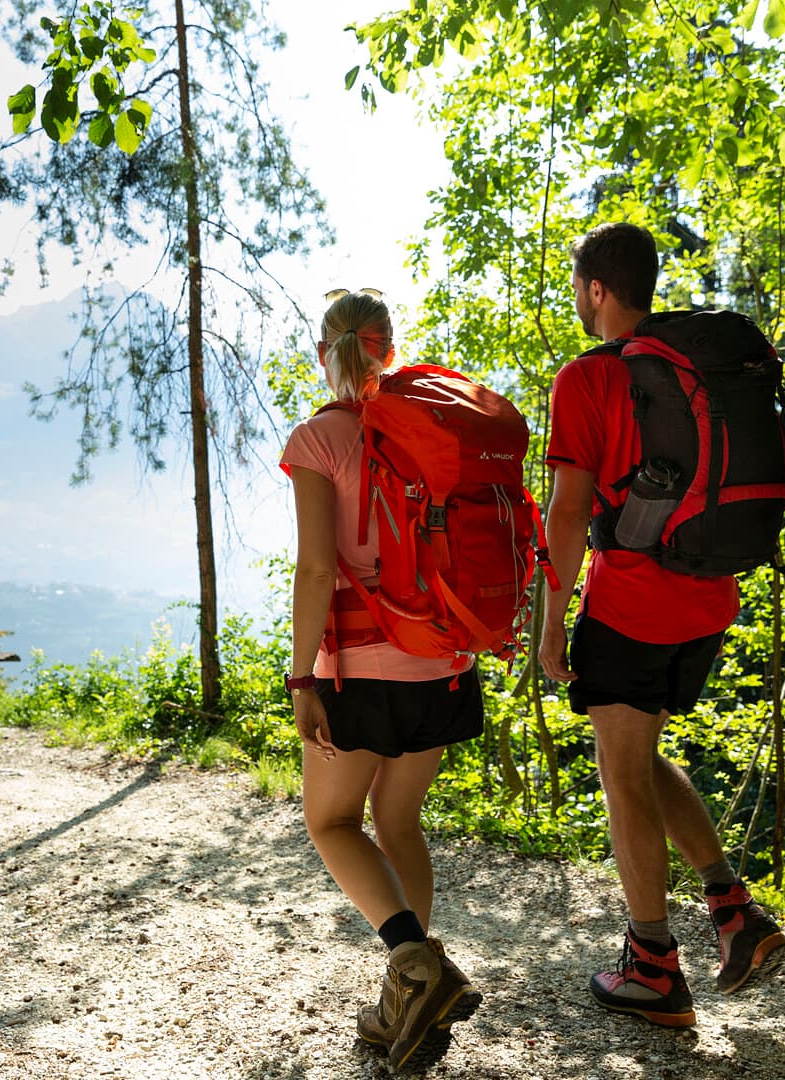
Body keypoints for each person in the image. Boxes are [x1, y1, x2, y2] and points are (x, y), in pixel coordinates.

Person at [538, 222, 785, 1028]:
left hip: (632, 608)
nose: (579, 301)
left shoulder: (589, 379)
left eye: (580, 288)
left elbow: (570, 512)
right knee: (641, 756)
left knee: (622, 776)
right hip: (710, 599)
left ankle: (652, 966)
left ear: (597, 290)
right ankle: (733, 913)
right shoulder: (695, 364)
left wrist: (550, 627)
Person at [280, 290, 484, 1072]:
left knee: (331, 825)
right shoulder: (434, 428)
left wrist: (303, 678)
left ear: (326, 353)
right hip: (443, 664)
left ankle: (413, 965)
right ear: (389, 349)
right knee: (399, 825)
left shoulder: (317, 440)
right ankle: (410, 1000)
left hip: (362, 670)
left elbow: (316, 568)